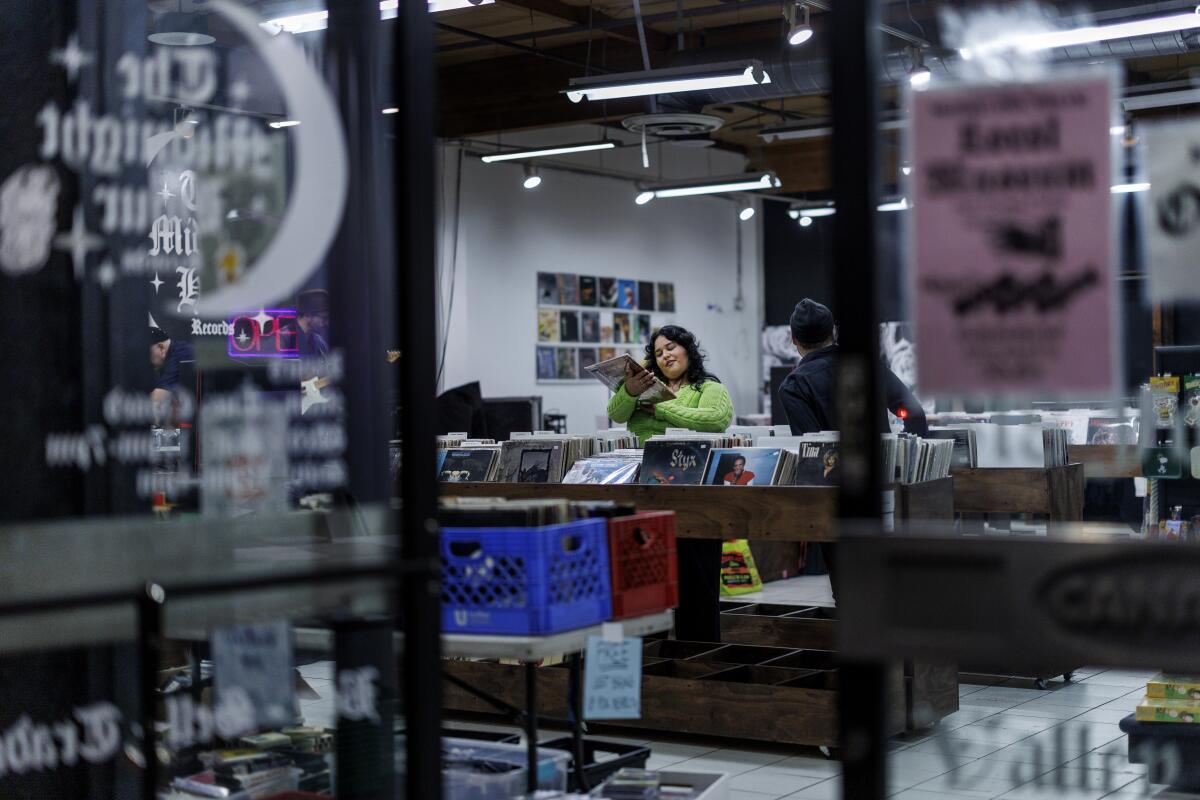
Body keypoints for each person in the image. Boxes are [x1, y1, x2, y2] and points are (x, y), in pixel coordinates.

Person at [778, 299, 928, 597]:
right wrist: (909, 465)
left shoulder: (794, 385)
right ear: (833, 331)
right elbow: (915, 413)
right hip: (884, 484)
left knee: (849, 586)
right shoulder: (866, 367)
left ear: (793, 340)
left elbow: (813, 448)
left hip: (836, 497)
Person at [607, 325, 733, 642]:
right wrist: (631, 391)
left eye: (671, 348)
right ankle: (652, 655)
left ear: (689, 349)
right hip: (646, 488)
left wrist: (661, 407)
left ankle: (700, 654)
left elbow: (714, 420)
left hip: (692, 489)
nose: (665, 356)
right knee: (644, 576)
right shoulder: (645, 386)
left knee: (696, 578)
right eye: (659, 353)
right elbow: (616, 413)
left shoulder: (708, 386)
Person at [149, 326, 195, 427]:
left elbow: (158, 397)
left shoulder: (177, 356)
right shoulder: (178, 350)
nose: (147, 359)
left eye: (148, 353)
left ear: (161, 348)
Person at [296, 289, 330, 358]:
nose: (327, 322)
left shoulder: (320, 344)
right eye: (324, 318)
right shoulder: (282, 342)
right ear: (308, 315)